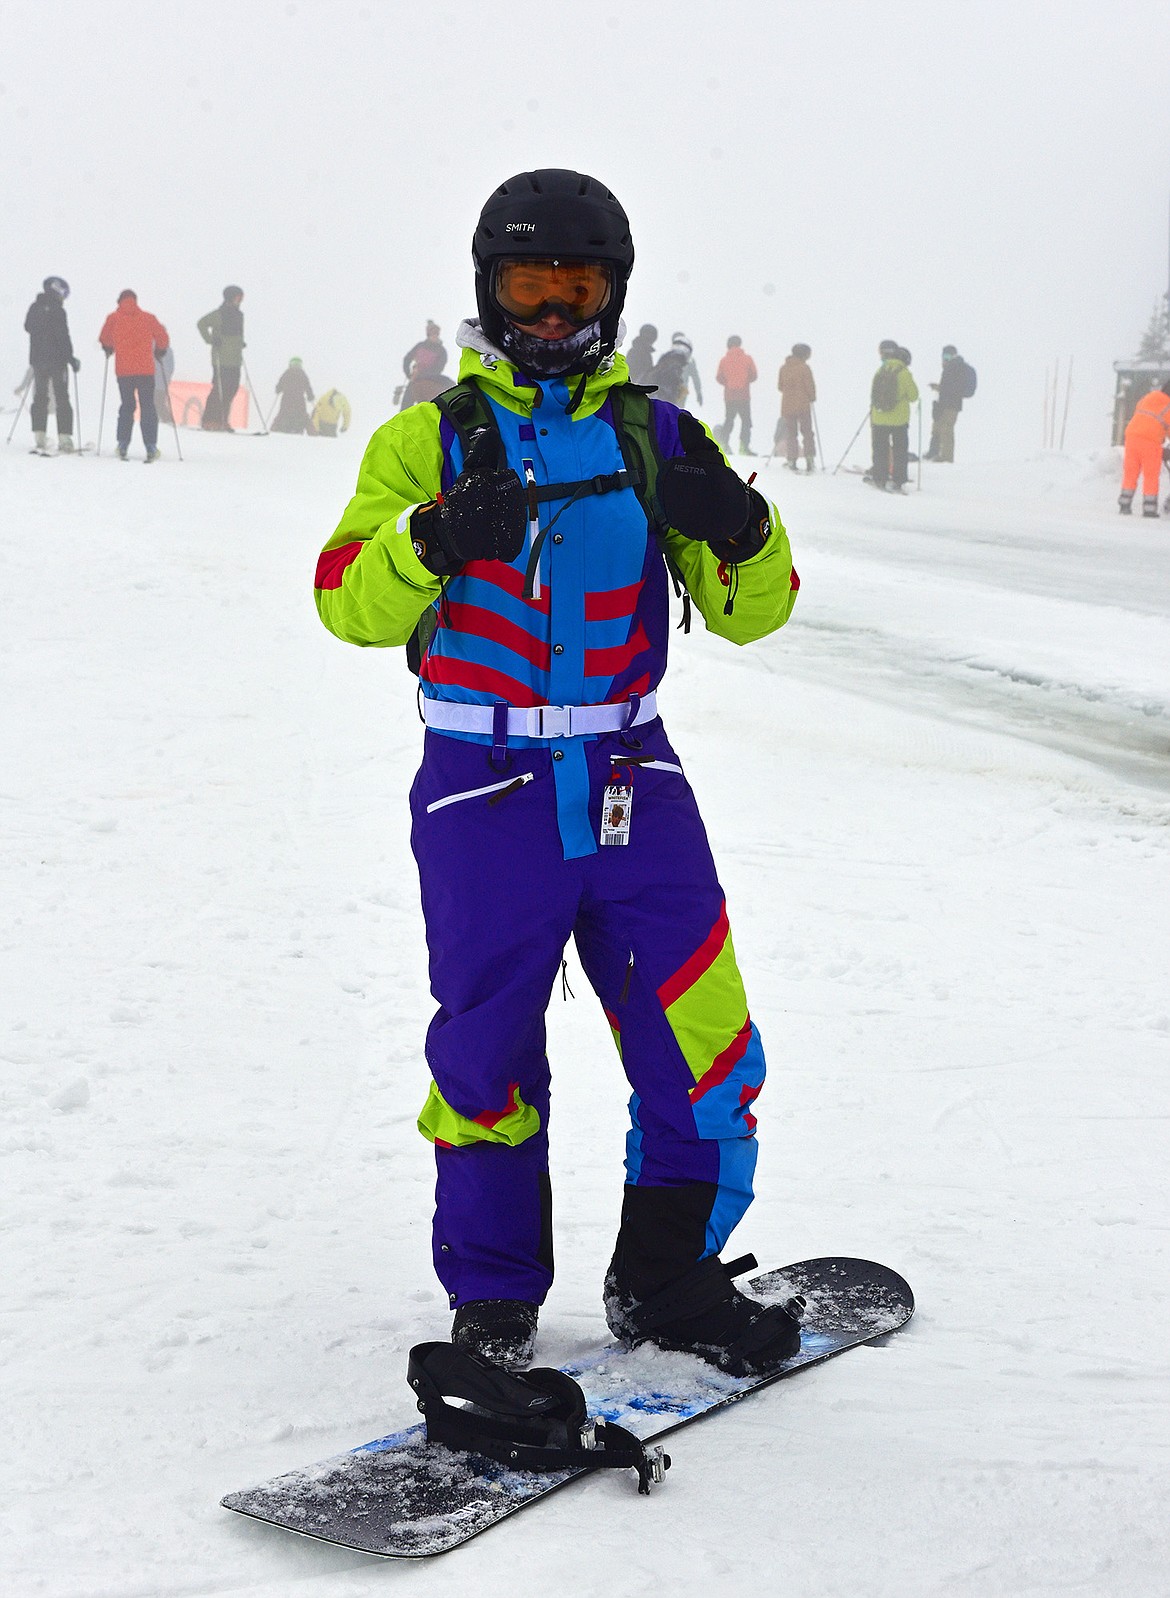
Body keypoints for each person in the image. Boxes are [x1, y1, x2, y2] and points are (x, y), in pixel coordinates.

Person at [314, 168, 802, 1378]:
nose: (549, 313)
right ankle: (493, 1296)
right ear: (490, 289)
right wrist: (426, 540)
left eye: (574, 287)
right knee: (485, 1051)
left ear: (611, 293)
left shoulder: (658, 434)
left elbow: (758, 612)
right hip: (485, 786)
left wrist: (741, 528)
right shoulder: (422, 439)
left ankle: (669, 1273)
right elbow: (344, 601)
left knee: (704, 1032)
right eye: (528, 286)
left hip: (636, 774)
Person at [99, 290, 169, 462]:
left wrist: (109, 349)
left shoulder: (113, 318)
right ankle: (150, 446)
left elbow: (104, 338)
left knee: (127, 406)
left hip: (124, 372)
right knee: (148, 407)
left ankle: (123, 444)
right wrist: (160, 351)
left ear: (120, 301)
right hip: (145, 370)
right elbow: (163, 337)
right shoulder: (148, 318)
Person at [24, 276, 79, 454]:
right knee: (62, 397)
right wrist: (71, 358)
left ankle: (39, 436)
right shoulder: (58, 311)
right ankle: (64, 438)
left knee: (40, 397)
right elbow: (64, 336)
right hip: (58, 361)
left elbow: (28, 327)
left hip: (38, 360)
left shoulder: (35, 307)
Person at [865, 339, 918, 492]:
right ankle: (898, 480)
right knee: (900, 450)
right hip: (899, 419)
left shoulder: (880, 370)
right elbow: (914, 396)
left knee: (880, 448)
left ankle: (879, 477)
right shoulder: (904, 373)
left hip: (879, 417)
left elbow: (873, 393)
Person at [197, 286, 245, 430]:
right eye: (238, 297)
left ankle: (222, 420)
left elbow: (238, 333)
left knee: (232, 388)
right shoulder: (219, 314)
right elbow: (201, 324)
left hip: (235, 359)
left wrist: (240, 342)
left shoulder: (239, 315)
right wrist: (211, 339)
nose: (240, 300)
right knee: (219, 389)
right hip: (221, 358)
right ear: (230, 297)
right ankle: (210, 420)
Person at [1119, 387, 1170, 517]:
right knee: (1151, 475)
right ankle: (1149, 509)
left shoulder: (1147, 398)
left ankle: (1124, 504)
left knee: (1130, 472)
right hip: (1151, 441)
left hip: (1131, 436)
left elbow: (1142, 415)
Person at [925, 345, 975, 462]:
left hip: (951, 404)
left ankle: (946, 457)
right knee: (939, 427)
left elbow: (952, 388)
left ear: (954, 355)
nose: (945, 359)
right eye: (944, 356)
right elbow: (949, 387)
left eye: (948, 356)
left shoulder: (956, 367)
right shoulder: (952, 367)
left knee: (946, 429)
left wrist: (940, 389)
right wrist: (938, 388)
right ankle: (936, 452)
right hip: (946, 403)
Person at [775, 343, 817, 470]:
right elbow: (810, 386)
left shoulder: (784, 368)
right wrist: (812, 397)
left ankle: (792, 460)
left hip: (787, 406)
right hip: (803, 406)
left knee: (791, 434)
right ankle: (809, 459)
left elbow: (780, 386)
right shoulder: (804, 368)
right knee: (807, 433)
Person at [715, 335, 758, 454]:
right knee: (746, 421)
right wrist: (744, 382)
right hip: (744, 395)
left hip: (729, 395)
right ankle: (743, 447)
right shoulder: (748, 359)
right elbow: (754, 375)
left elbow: (719, 377)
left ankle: (723, 444)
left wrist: (728, 383)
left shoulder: (724, 360)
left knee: (729, 419)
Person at [400, 321, 451, 407]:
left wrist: (428, 373)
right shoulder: (420, 345)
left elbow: (440, 366)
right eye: (432, 333)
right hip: (416, 376)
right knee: (406, 403)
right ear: (429, 334)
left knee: (449, 385)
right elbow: (407, 359)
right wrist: (408, 374)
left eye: (436, 333)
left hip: (432, 376)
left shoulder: (441, 350)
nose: (434, 335)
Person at [650, 331, 703, 408]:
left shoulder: (666, 358)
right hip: (672, 392)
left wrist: (698, 392)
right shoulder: (670, 360)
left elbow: (695, 377)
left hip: (679, 391)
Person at [271, 358, 315, 433]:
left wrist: (278, 390)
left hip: (286, 400)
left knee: (282, 415)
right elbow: (308, 387)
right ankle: (313, 433)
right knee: (303, 416)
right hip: (299, 401)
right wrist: (310, 397)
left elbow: (279, 387)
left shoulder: (287, 373)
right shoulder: (303, 374)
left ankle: (273, 430)